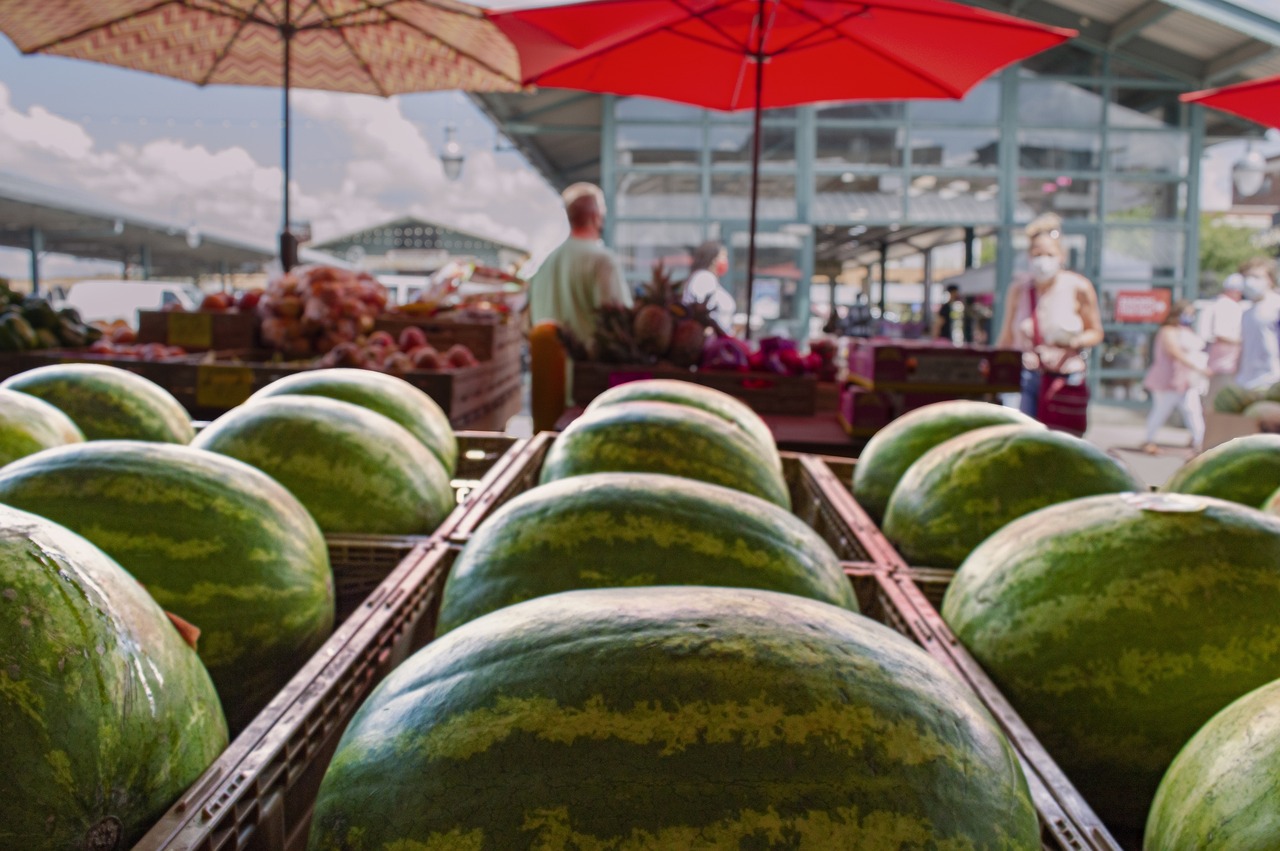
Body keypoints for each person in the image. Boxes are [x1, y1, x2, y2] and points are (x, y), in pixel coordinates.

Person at [996, 213, 1104, 420]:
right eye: (1037, 254)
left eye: (1049, 254)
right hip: (1025, 375)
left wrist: (1074, 340)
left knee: (1059, 440)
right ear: (1029, 256)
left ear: (1061, 255)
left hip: (1063, 376)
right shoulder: (1019, 289)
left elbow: (1096, 332)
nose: (1042, 261)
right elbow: (1006, 337)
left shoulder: (1079, 287)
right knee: (1019, 434)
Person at [527, 183, 631, 349]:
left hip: (543, 369)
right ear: (595, 216)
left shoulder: (545, 262)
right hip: (587, 371)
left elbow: (528, 322)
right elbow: (617, 324)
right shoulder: (602, 260)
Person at [1142, 300, 1210, 455]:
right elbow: (1174, 351)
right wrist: (1198, 367)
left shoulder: (1186, 331)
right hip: (1167, 379)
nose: (1190, 317)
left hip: (1185, 379)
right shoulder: (1167, 331)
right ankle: (1149, 439)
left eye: (1192, 314)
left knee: (1193, 410)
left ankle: (1200, 441)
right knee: (1161, 410)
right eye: (1187, 313)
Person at [1235, 257, 1280, 391]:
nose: (1250, 282)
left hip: (1272, 380)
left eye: (1256, 277)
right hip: (1247, 381)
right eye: (1247, 277)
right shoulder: (1246, 311)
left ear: (1270, 280)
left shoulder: (1276, 306)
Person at [1200, 273, 1245, 404]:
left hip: (1226, 362)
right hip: (1222, 362)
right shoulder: (1225, 305)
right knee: (1218, 397)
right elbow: (1220, 334)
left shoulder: (1224, 304)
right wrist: (1242, 342)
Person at [683, 240, 735, 331]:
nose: (726, 260)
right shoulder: (704, 278)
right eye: (723, 256)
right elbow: (701, 314)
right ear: (713, 258)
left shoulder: (708, 278)